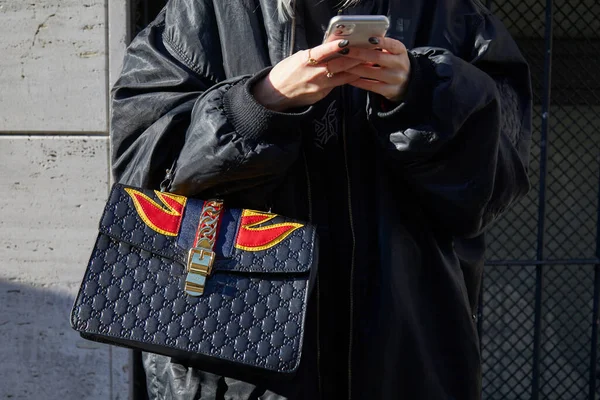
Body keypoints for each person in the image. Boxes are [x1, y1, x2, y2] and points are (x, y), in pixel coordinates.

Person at [110, 0, 532, 398]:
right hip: (233, 359)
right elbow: (142, 174)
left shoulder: (449, 12)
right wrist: (256, 105)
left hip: (405, 357)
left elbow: (498, 179)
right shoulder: (204, 10)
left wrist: (422, 94)